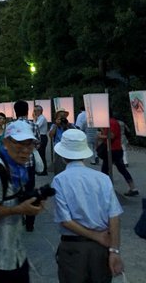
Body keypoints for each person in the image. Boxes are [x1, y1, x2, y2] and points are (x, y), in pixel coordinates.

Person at [52, 129, 124, 282]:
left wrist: (96, 236)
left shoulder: (59, 180)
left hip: (73, 248)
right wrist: (114, 250)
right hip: (101, 248)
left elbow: (65, 220)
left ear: (63, 155)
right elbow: (114, 216)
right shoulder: (103, 179)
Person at [0, 120, 46, 282]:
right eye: (19, 145)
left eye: (29, 146)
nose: (25, 151)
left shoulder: (17, 169)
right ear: (5, 143)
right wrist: (20, 209)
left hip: (16, 253)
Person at [14, 100, 42, 232]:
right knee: (30, 191)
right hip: (29, 163)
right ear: (27, 111)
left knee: (16, 191)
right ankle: (30, 223)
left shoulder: (11, 125)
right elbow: (38, 143)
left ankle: (18, 219)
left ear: (15, 111)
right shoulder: (33, 125)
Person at [99, 115, 139, 196]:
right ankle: (132, 188)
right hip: (114, 149)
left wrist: (100, 136)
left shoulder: (111, 122)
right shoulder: (110, 122)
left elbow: (111, 136)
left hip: (113, 150)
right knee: (120, 169)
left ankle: (106, 189)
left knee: (106, 170)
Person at [49, 108, 77, 175]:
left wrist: (67, 125)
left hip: (69, 148)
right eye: (60, 116)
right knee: (58, 168)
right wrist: (56, 125)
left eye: (64, 116)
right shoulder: (54, 126)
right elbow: (51, 135)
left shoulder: (69, 125)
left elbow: (76, 132)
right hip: (58, 149)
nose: (62, 118)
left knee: (69, 167)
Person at [33, 104, 48, 175]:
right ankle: (41, 170)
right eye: (34, 111)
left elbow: (36, 126)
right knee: (40, 154)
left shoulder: (42, 118)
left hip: (42, 137)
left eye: (36, 111)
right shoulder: (38, 118)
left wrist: (34, 118)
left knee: (41, 154)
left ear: (40, 111)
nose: (34, 112)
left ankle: (43, 170)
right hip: (40, 137)